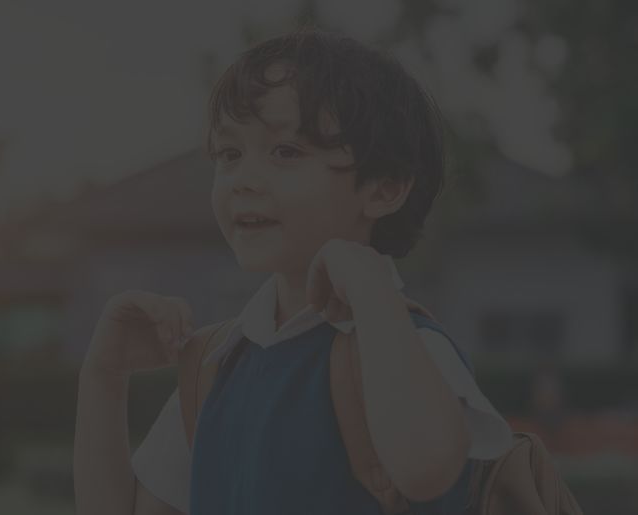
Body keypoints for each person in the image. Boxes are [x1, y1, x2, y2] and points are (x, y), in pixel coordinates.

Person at [74, 27, 513, 515]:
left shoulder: (411, 346)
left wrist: (369, 287)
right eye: (229, 155)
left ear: (384, 188)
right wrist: (105, 378)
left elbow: (427, 468)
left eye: (285, 151)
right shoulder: (215, 366)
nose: (243, 181)